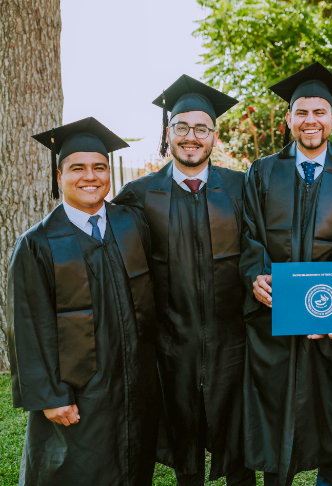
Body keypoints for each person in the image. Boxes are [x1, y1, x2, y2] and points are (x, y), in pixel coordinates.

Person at [113, 75, 255, 486]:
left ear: (214, 135)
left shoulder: (242, 187)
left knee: (239, 448)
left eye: (201, 129)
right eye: (181, 127)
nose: (191, 137)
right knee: (184, 453)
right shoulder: (138, 195)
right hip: (171, 345)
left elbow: (266, 247)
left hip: (235, 342)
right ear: (168, 132)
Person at [239, 62, 332, 486]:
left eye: (320, 113)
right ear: (289, 119)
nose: (310, 121)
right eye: (302, 112)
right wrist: (254, 275)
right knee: (274, 410)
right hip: (275, 320)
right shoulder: (262, 172)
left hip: (331, 325)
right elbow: (249, 234)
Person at [8, 117, 159, 485]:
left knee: (132, 464)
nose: (90, 176)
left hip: (131, 384)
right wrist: (50, 395)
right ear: (59, 175)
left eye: (99, 167)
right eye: (77, 168)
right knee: (78, 471)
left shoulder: (130, 225)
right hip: (77, 392)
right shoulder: (38, 243)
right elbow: (25, 326)